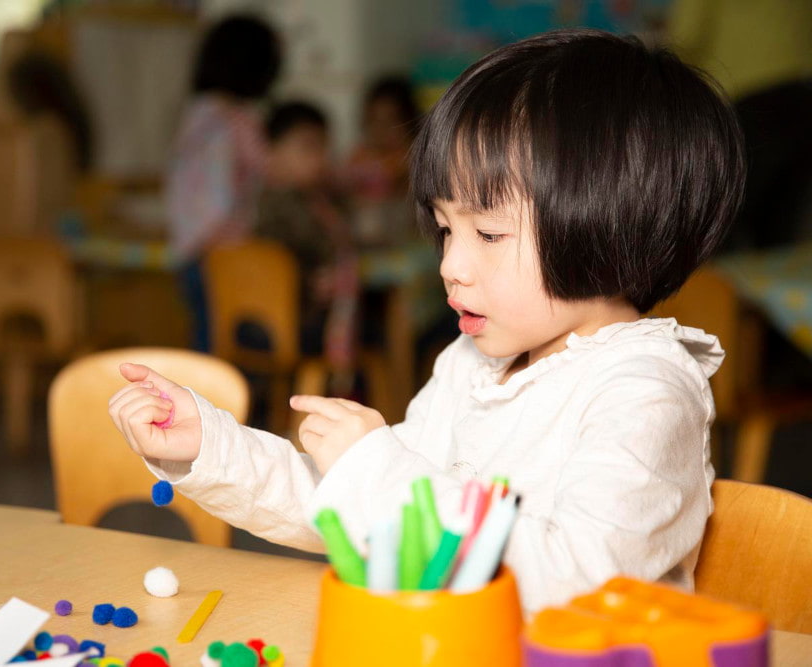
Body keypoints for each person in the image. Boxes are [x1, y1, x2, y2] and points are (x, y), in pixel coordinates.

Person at [109, 29, 745, 614]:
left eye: (488, 233)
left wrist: (377, 471)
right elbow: (353, 508)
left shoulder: (643, 392)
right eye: (445, 229)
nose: (451, 265)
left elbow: (578, 589)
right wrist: (211, 445)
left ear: (613, 229)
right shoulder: (470, 364)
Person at [668, 0, 812, 250]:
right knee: (783, 219)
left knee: (721, 217)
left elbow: (686, 39)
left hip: (754, 93)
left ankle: (709, 286)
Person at [165, 15, 281, 351]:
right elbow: (272, 170)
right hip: (228, 250)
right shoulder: (239, 120)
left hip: (189, 249)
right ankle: (229, 402)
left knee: (206, 337)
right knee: (235, 341)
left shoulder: (195, 113)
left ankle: (199, 401)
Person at [253, 101, 359, 374]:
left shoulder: (319, 199)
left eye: (324, 147)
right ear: (272, 153)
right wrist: (311, 281)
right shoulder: (277, 205)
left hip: (273, 322)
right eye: (308, 147)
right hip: (294, 319)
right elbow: (280, 258)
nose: (320, 157)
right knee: (375, 333)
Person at [343, 75, 420, 246]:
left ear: (408, 123)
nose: (379, 130)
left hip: (402, 239)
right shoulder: (360, 155)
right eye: (373, 121)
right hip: (365, 241)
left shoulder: (410, 158)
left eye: (389, 122)